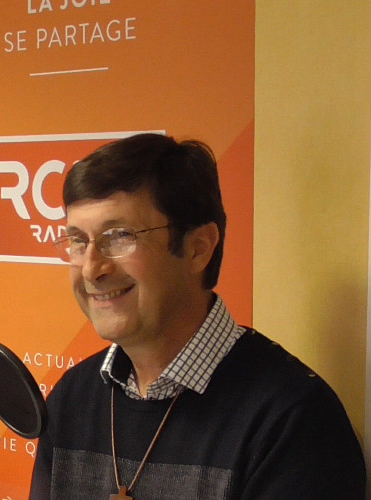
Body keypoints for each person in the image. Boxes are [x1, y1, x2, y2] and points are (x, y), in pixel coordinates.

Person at [29, 133, 366, 499]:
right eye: (78, 241)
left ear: (197, 248)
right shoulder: (71, 398)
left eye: (119, 237)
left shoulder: (293, 419)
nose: (92, 269)